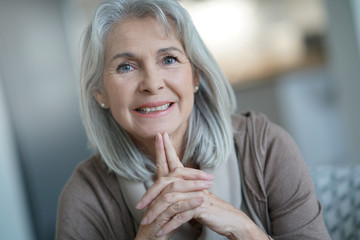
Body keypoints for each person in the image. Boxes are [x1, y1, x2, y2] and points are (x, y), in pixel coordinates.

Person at [56, 0, 331, 239]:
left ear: (196, 75)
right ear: (99, 93)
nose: (152, 84)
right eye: (126, 66)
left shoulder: (266, 147)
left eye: (169, 59)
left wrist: (244, 230)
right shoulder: (85, 196)